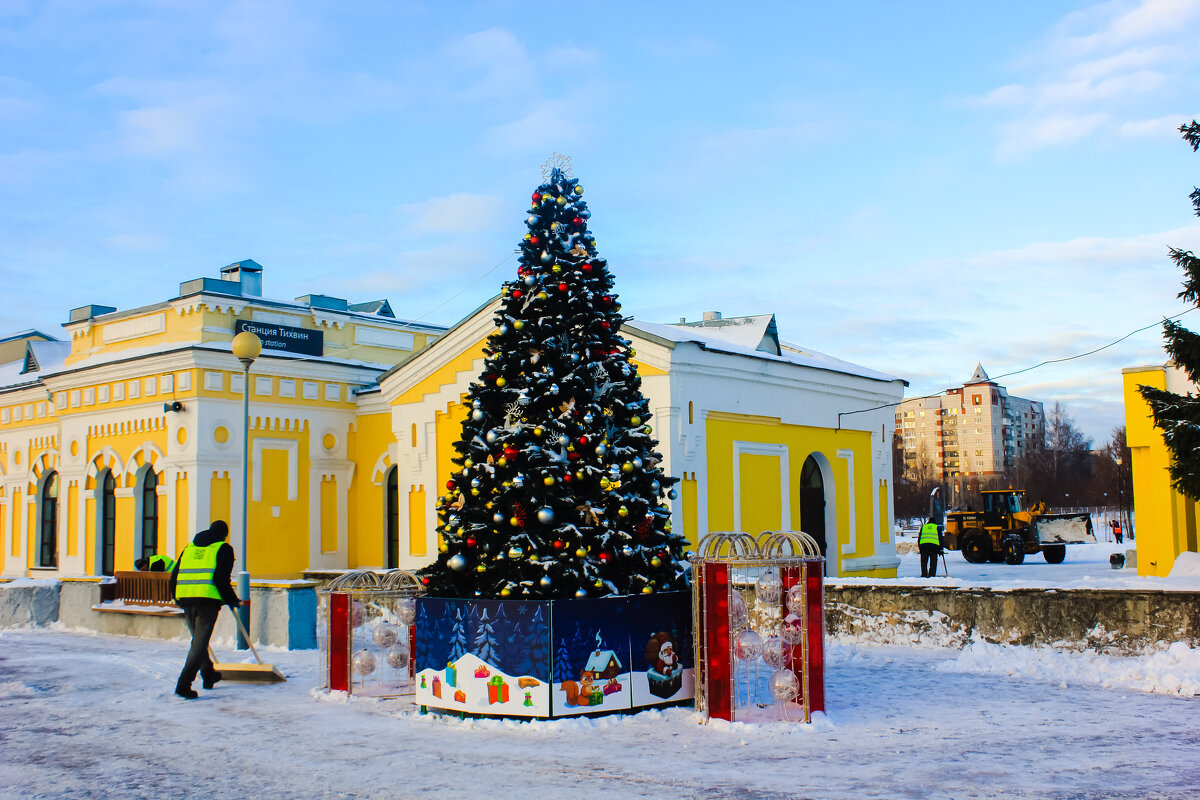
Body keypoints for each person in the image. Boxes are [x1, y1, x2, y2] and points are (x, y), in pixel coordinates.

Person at [168, 520, 241, 699]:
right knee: (199, 644)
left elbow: (174, 575)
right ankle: (183, 685)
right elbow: (221, 579)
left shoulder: (189, 548)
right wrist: (233, 600)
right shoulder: (223, 549)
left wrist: (176, 596)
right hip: (207, 602)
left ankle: (208, 675)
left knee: (198, 642)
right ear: (224, 534)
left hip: (185, 598)